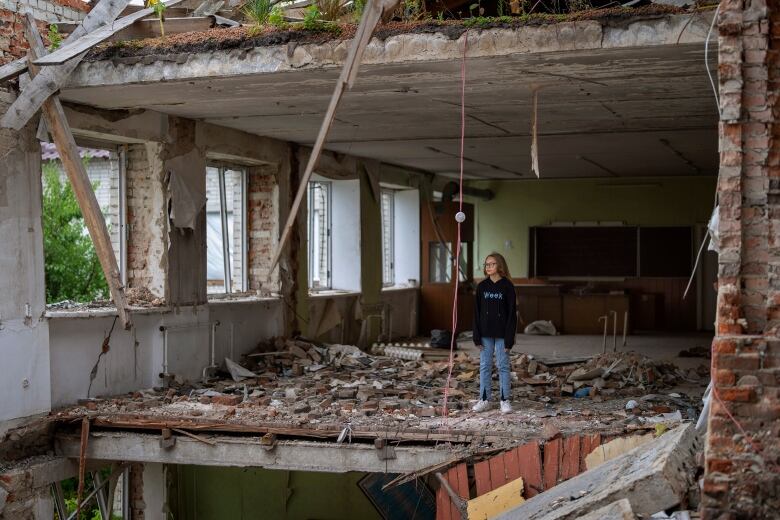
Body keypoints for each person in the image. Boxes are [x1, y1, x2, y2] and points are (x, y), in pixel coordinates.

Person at [472, 252, 517, 414]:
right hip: (485, 334)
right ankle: (485, 399)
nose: (489, 267)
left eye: (492, 264)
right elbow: (476, 313)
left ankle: (504, 401)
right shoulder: (482, 287)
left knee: (503, 366)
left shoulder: (508, 286)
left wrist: (509, 339)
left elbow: (512, 315)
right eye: (486, 264)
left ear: (500, 266)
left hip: (502, 335)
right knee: (485, 366)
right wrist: (476, 335)